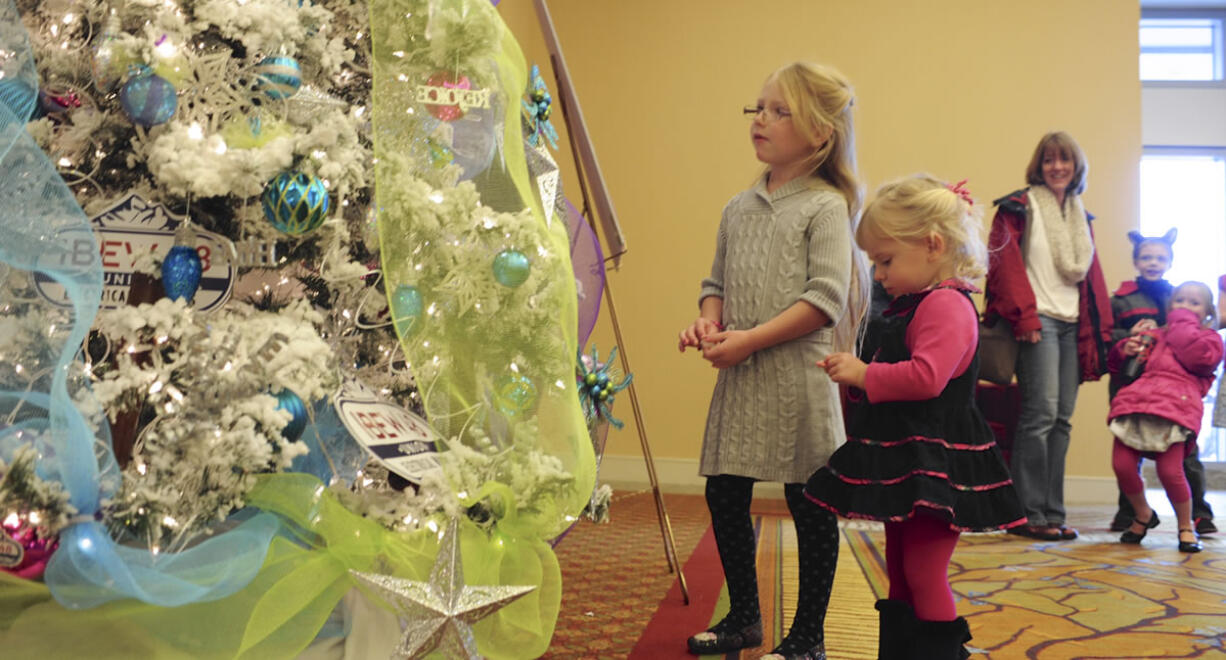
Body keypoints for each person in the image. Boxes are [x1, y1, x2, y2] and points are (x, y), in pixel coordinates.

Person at [677, 61, 870, 660]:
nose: (761, 119)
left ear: (819, 134)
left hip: (799, 378)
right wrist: (711, 319)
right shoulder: (738, 206)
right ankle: (743, 620)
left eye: (778, 111)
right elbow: (716, 281)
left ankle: (807, 637)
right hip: (743, 373)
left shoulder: (825, 207)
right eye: (757, 107)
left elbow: (824, 300)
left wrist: (748, 339)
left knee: (808, 501)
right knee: (724, 493)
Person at [805, 175, 1025, 660]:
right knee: (902, 568)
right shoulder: (919, 302)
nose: (878, 274)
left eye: (885, 261)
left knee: (924, 571)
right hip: (909, 455)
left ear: (931, 245)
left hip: (935, 459)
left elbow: (927, 377)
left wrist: (865, 374)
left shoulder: (946, 304)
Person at [983, 131, 1113, 541]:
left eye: (1065, 161)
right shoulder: (1017, 208)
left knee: (1061, 420)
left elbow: (1090, 279)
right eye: (1049, 160)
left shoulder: (1080, 214)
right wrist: (1024, 317)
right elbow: (1003, 266)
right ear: (1038, 166)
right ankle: (1027, 514)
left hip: (1075, 326)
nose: (1057, 167)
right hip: (1036, 322)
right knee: (1038, 416)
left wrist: (1098, 332)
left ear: (1076, 168)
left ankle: (1053, 513)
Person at [1105, 231, 1217, 535]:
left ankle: (1196, 514)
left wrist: (1178, 320)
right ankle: (1133, 512)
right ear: (1136, 261)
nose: (1153, 262)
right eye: (1146, 257)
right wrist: (1127, 342)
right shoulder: (1122, 299)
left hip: (1177, 405)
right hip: (1138, 393)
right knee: (1126, 460)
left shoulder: (1196, 326)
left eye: (1160, 257)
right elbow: (1112, 347)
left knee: (1180, 464)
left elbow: (1196, 353)